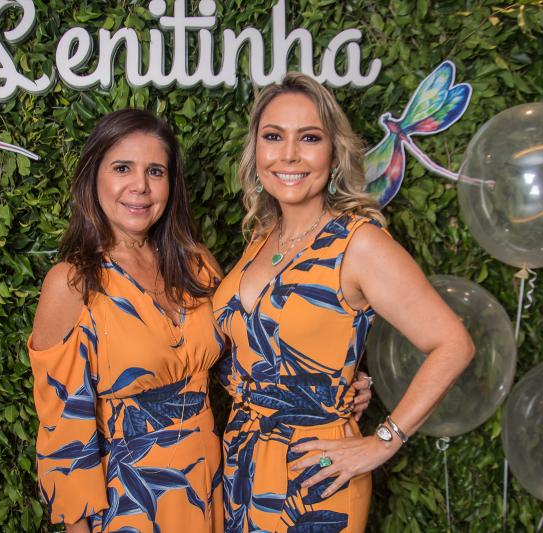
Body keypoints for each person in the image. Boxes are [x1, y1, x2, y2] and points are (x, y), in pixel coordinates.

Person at [28, 108, 374, 531]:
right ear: (93, 177)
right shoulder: (72, 283)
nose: (140, 186)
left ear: (171, 184)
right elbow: (63, 436)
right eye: (122, 168)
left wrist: (329, 385)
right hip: (130, 500)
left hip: (212, 486)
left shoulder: (195, 266)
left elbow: (246, 359)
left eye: (155, 171)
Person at [212, 73, 475, 532]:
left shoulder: (359, 243)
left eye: (309, 138)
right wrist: (339, 376)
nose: (289, 154)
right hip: (243, 464)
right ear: (256, 150)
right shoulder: (262, 237)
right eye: (273, 136)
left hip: (316, 476)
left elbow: (454, 344)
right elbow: (261, 347)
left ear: (334, 153)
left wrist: (384, 440)